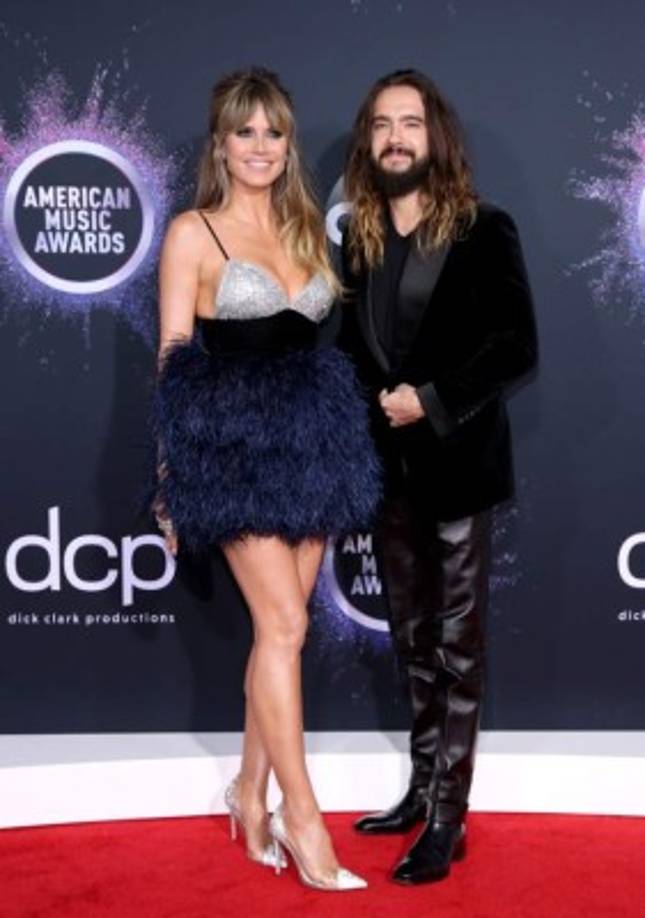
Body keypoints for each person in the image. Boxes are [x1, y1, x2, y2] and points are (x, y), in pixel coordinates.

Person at [152, 68, 380, 892]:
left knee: (281, 635)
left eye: (273, 132)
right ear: (220, 144)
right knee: (282, 623)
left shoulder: (309, 228)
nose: (259, 147)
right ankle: (303, 816)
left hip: (313, 440)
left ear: (288, 144)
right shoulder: (192, 233)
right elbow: (173, 357)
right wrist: (170, 478)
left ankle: (248, 795)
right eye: (243, 132)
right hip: (230, 447)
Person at [339, 69, 537, 884]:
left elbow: (515, 346)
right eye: (382, 124)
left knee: (457, 649)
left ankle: (450, 819)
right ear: (369, 141)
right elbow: (351, 354)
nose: (395, 137)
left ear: (435, 137)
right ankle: (420, 790)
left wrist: (430, 400)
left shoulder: (484, 228)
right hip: (386, 476)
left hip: (457, 471)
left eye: (410, 123)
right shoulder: (358, 236)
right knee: (414, 643)